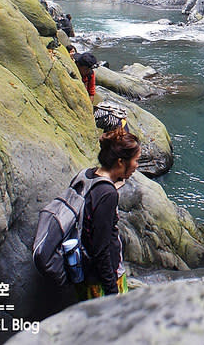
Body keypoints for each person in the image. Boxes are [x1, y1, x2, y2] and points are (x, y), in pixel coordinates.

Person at [77, 128, 141, 300]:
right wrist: (112, 291)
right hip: (101, 282)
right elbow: (101, 249)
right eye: (135, 160)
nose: (137, 166)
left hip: (85, 271)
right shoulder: (107, 194)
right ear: (120, 162)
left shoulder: (87, 175)